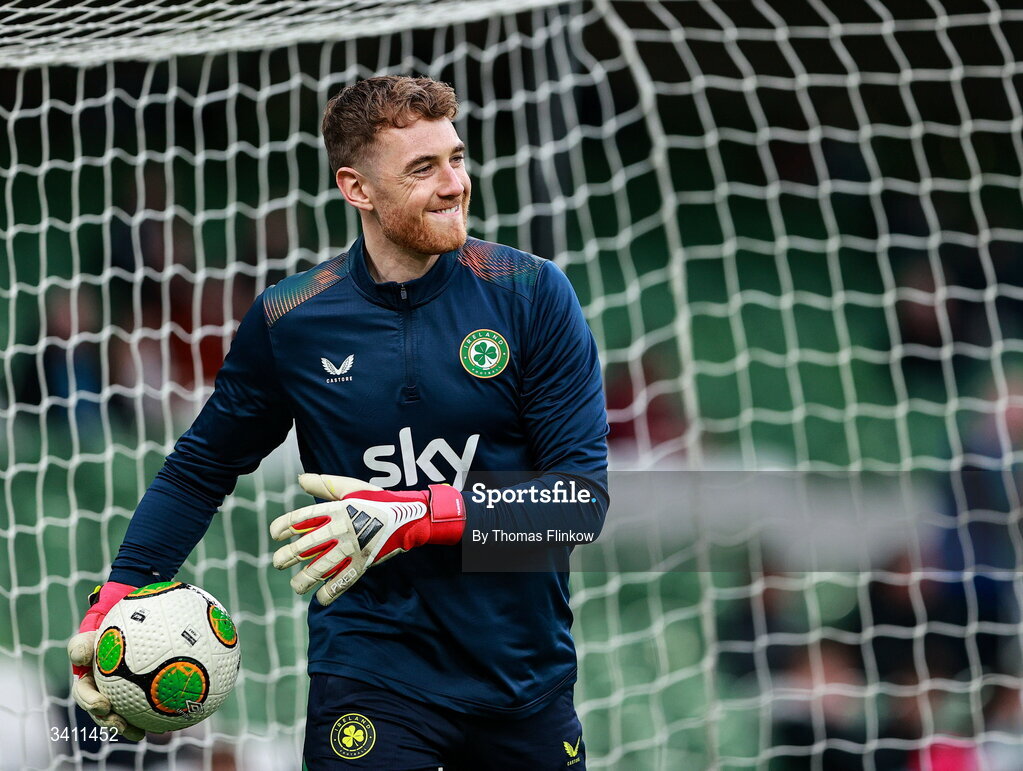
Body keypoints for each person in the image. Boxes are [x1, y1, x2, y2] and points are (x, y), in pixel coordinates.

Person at [67, 75, 609, 770]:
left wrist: (409, 513)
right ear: (357, 188)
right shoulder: (292, 319)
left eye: (456, 157)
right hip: (371, 672)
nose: (454, 184)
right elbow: (198, 470)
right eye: (423, 168)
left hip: (522, 682)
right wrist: (113, 598)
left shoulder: (531, 293)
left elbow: (577, 504)